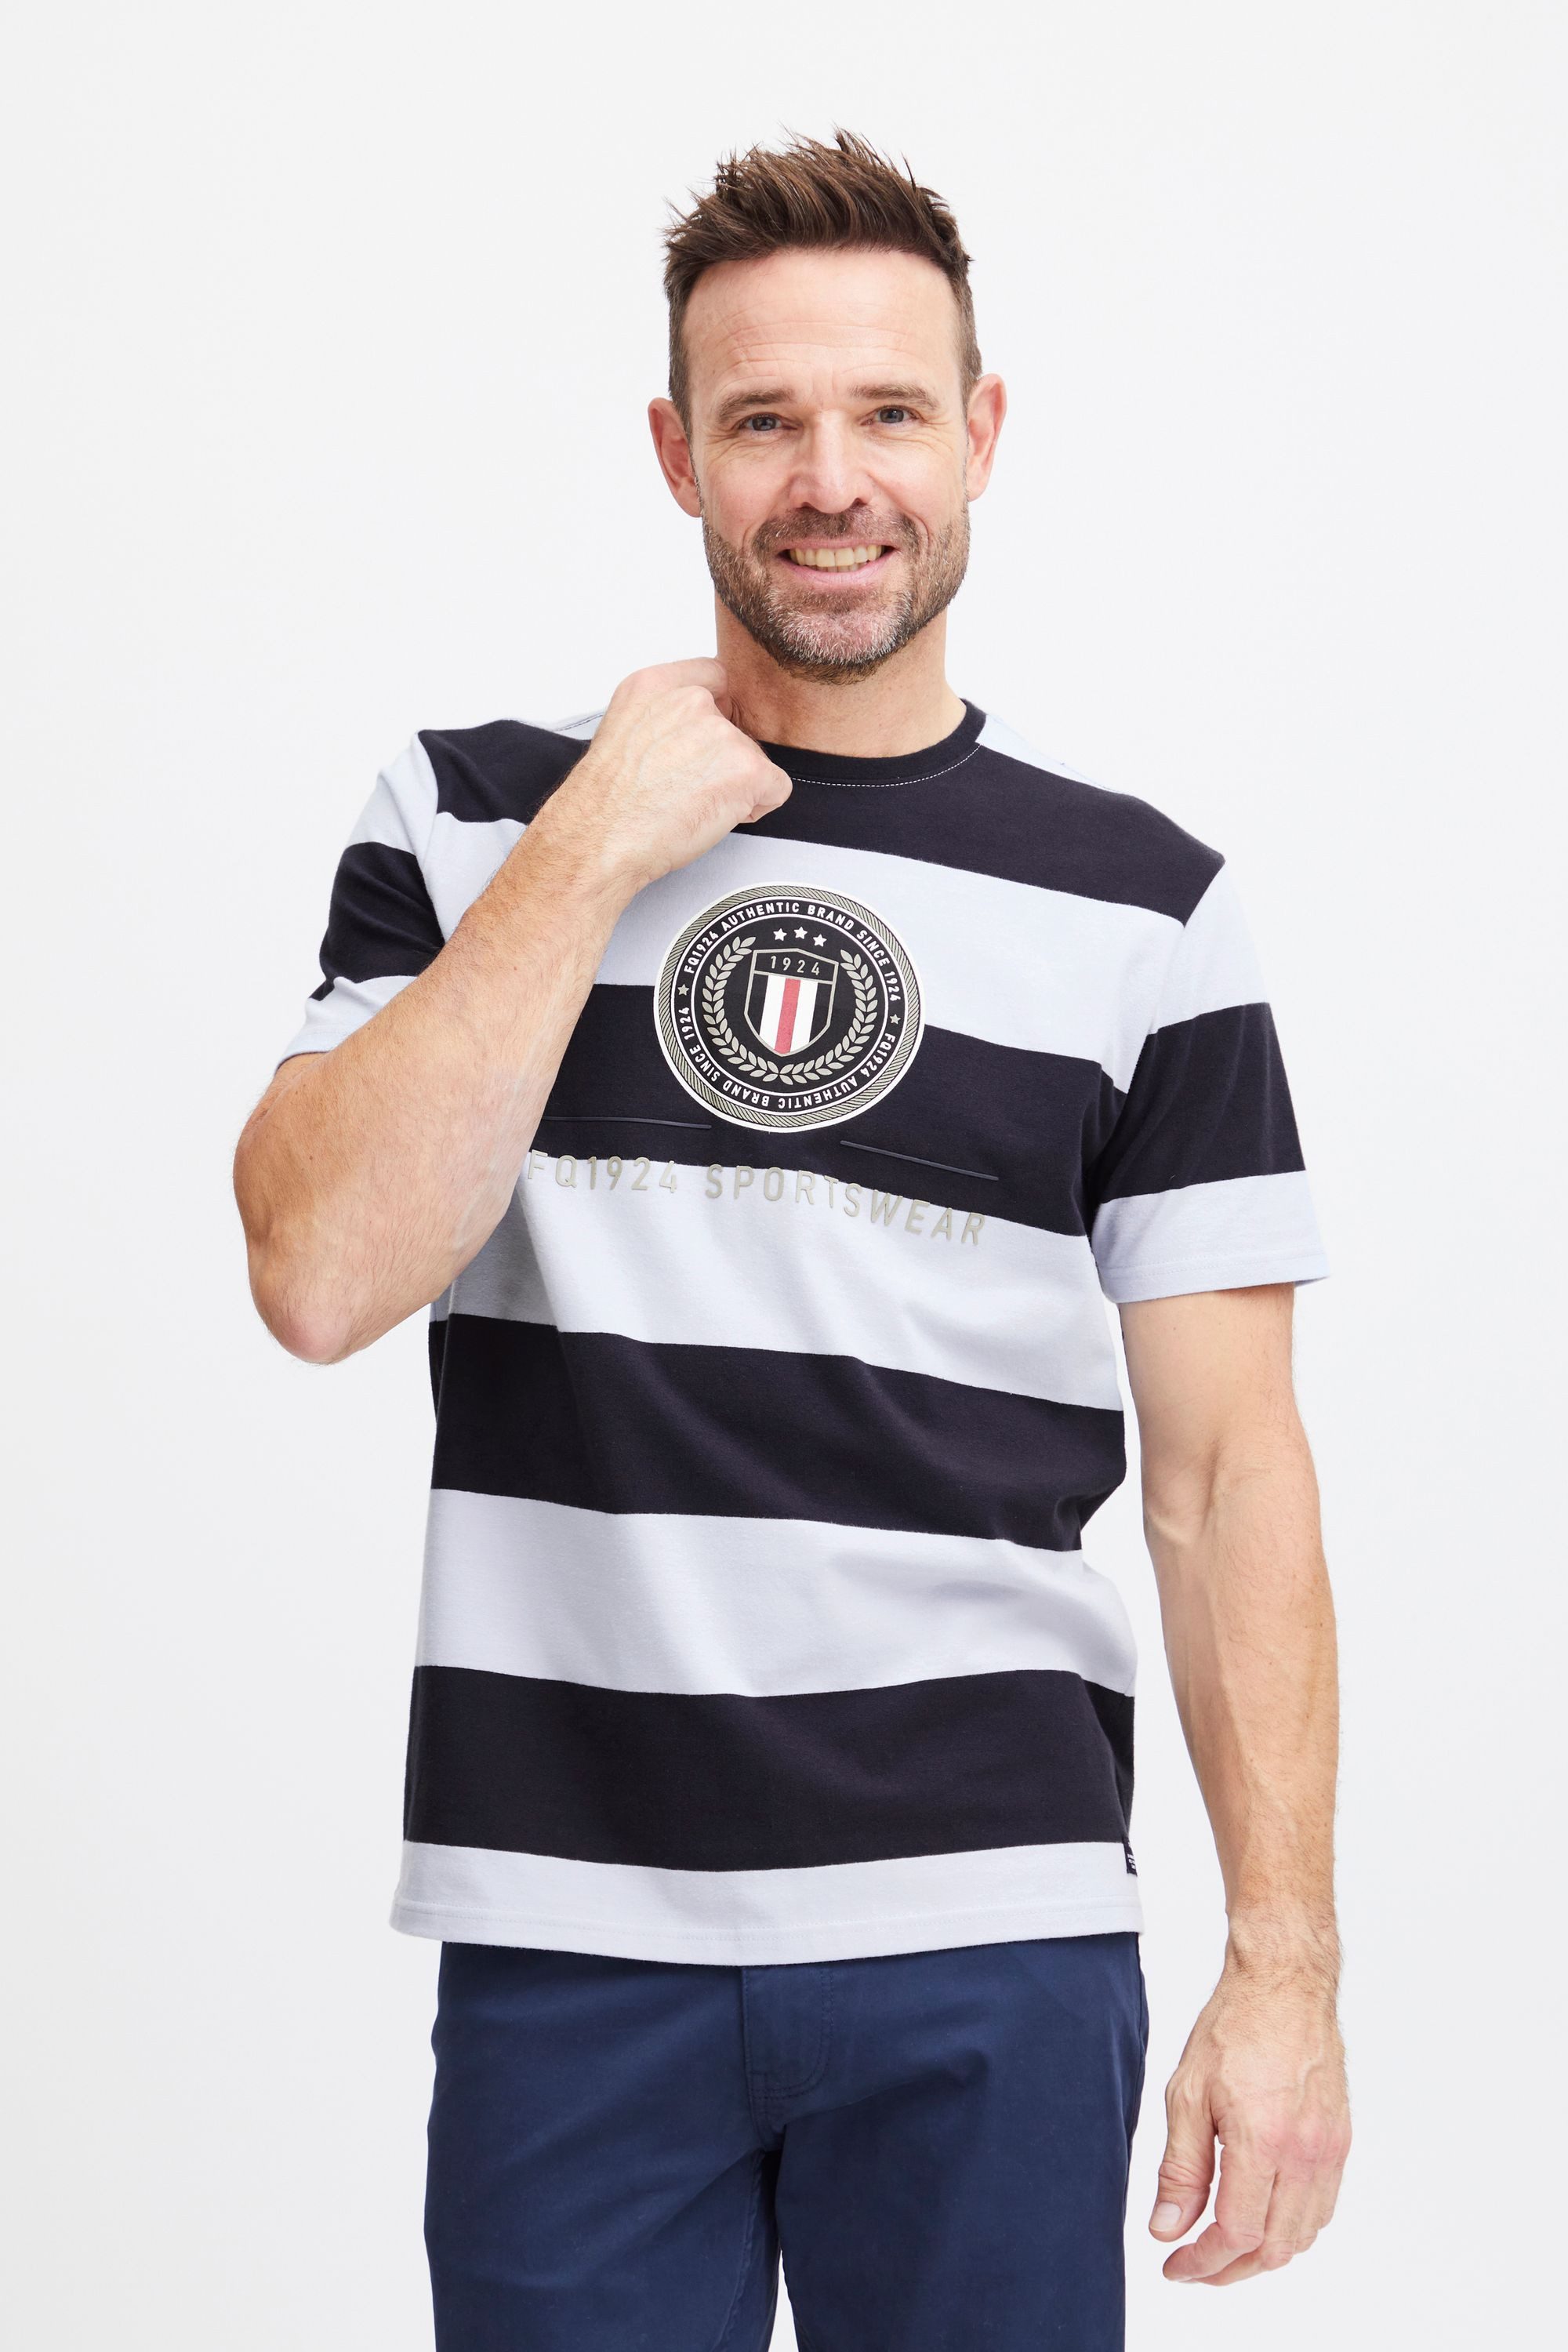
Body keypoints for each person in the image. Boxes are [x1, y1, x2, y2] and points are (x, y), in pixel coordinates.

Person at [234, 128, 1350, 2351]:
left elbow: (1231, 1477)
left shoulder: (1148, 913)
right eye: (763, 422)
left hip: (991, 1926)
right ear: (677, 456)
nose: (832, 482)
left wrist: (1285, 1970)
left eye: (888, 413)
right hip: (573, 1930)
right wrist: (594, 849)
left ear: (981, 436)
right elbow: (320, 1275)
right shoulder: (469, 822)